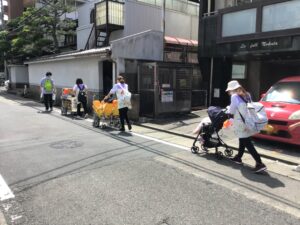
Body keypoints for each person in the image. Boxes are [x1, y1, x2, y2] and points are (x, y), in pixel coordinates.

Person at [226, 80, 267, 173]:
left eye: (229, 90)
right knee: (242, 139)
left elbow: (232, 110)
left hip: (240, 123)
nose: (229, 92)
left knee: (247, 142)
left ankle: (259, 163)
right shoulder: (247, 95)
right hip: (248, 121)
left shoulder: (234, 96)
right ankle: (238, 157)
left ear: (232, 89)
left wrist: (228, 110)